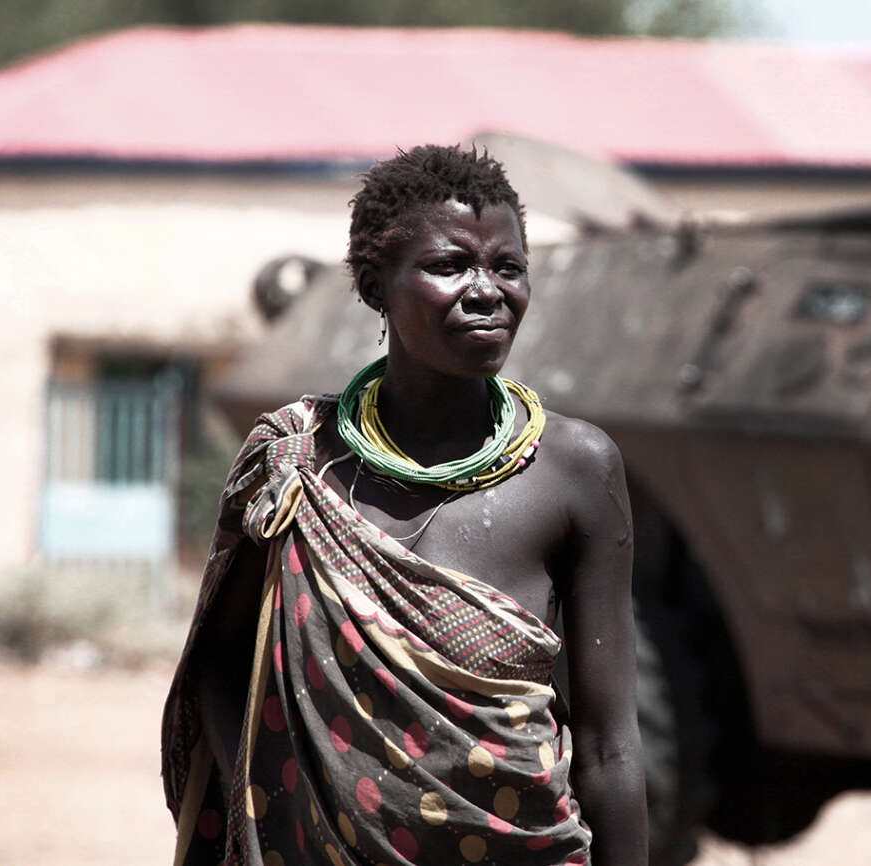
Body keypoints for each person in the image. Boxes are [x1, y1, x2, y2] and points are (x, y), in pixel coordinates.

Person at [162, 145, 646, 866]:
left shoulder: (575, 470)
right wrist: (267, 820)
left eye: (508, 268)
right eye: (451, 265)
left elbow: (611, 748)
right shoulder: (297, 463)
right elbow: (223, 670)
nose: (487, 292)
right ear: (373, 286)